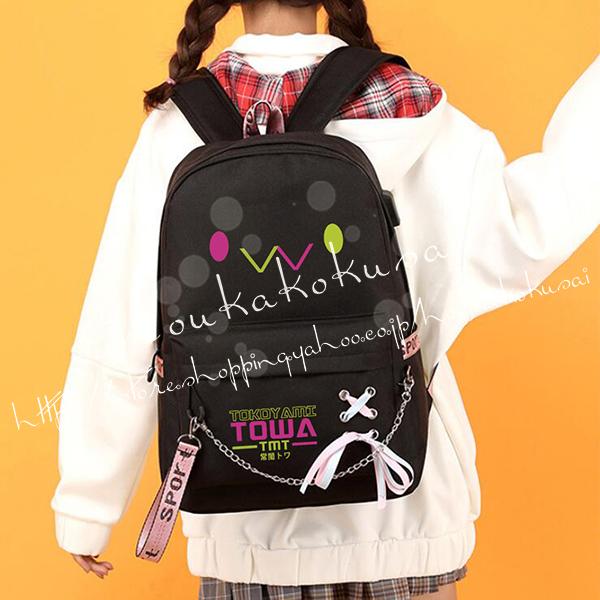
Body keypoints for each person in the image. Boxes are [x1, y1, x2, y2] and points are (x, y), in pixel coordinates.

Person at [50, 1, 599, 599]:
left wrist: (88, 503)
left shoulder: (175, 127)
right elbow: (526, 231)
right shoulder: (412, 109)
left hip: (246, 535)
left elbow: (119, 329)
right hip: (405, 514)